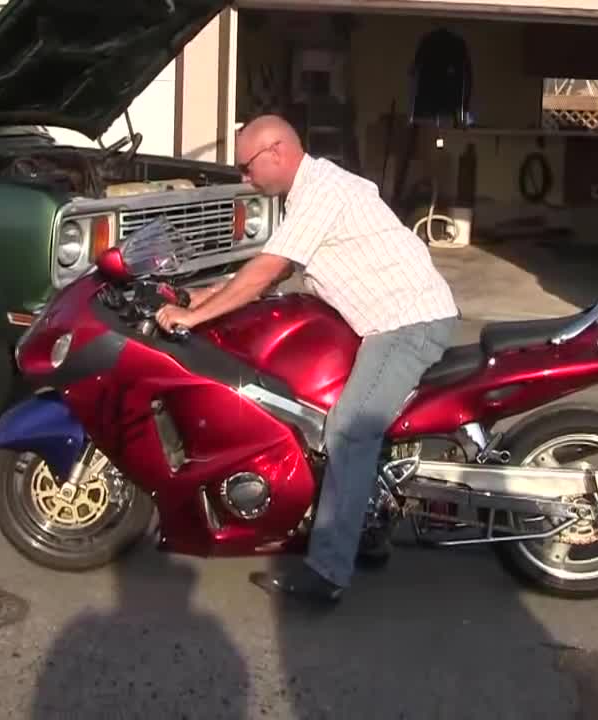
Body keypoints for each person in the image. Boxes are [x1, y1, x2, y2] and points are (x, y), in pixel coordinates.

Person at [155, 115, 459, 605]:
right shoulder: (308, 194)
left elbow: (267, 269)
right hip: (391, 320)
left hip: (405, 324)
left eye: (247, 168)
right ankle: (366, 528)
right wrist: (202, 295)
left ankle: (328, 572)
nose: (245, 179)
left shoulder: (322, 191)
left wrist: (195, 318)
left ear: (276, 151)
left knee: (349, 430)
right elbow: (278, 272)